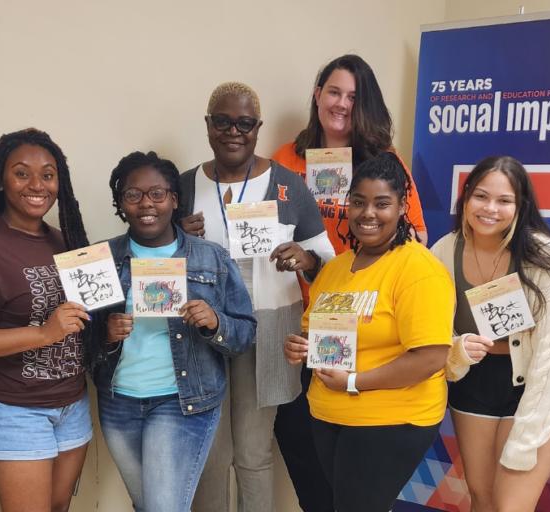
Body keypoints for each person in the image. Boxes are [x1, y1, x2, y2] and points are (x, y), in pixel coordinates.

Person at [271, 53, 427, 511]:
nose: (342, 104)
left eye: (354, 98)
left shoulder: (384, 163)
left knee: (354, 463)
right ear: (317, 95)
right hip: (296, 322)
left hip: (365, 326)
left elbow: (415, 239)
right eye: (334, 92)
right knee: (301, 439)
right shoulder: (285, 160)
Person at [179, 82, 334, 512]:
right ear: (209, 126)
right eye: (224, 122)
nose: (234, 131)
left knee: (253, 451)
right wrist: (177, 238)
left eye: (245, 123)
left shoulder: (289, 185)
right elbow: (155, 260)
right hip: (204, 330)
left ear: (257, 127)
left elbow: (327, 258)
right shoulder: (185, 185)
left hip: (267, 330)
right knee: (211, 453)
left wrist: (305, 257)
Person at [283, 152, 454, 512]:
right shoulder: (337, 268)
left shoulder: (419, 270)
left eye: (382, 203)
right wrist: (302, 347)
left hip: (390, 419)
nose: (368, 213)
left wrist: (353, 381)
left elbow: (430, 356)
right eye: (358, 202)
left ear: (402, 206)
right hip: (328, 416)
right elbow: (320, 333)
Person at [89, 150, 256, 512]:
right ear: (120, 203)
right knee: (148, 505)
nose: (146, 204)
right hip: (119, 403)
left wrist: (215, 323)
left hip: (183, 402)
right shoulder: (100, 260)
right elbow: (77, 340)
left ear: (174, 199)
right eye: (133, 195)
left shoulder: (210, 258)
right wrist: (104, 333)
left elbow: (245, 334)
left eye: (157, 194)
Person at [0, 128, 91, 512]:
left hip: (71, 404)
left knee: (58, 507)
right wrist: (43, 333)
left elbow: (81, 318)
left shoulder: (67, 241)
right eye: (22, 173)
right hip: (11, 406)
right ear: (0, 180)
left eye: (48, 174)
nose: (37, 184)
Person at [429, 156, 550, 512]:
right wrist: (458, 349)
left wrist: (525, 440)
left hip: (537, 384)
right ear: (465, 198)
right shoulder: (443, 251)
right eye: (481, 196)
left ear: (520, 205)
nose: (490, 208)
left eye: (504, 200)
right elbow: (431, 332)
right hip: (474, 386)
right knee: (481, 497)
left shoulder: (544, 256)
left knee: (511, 506)